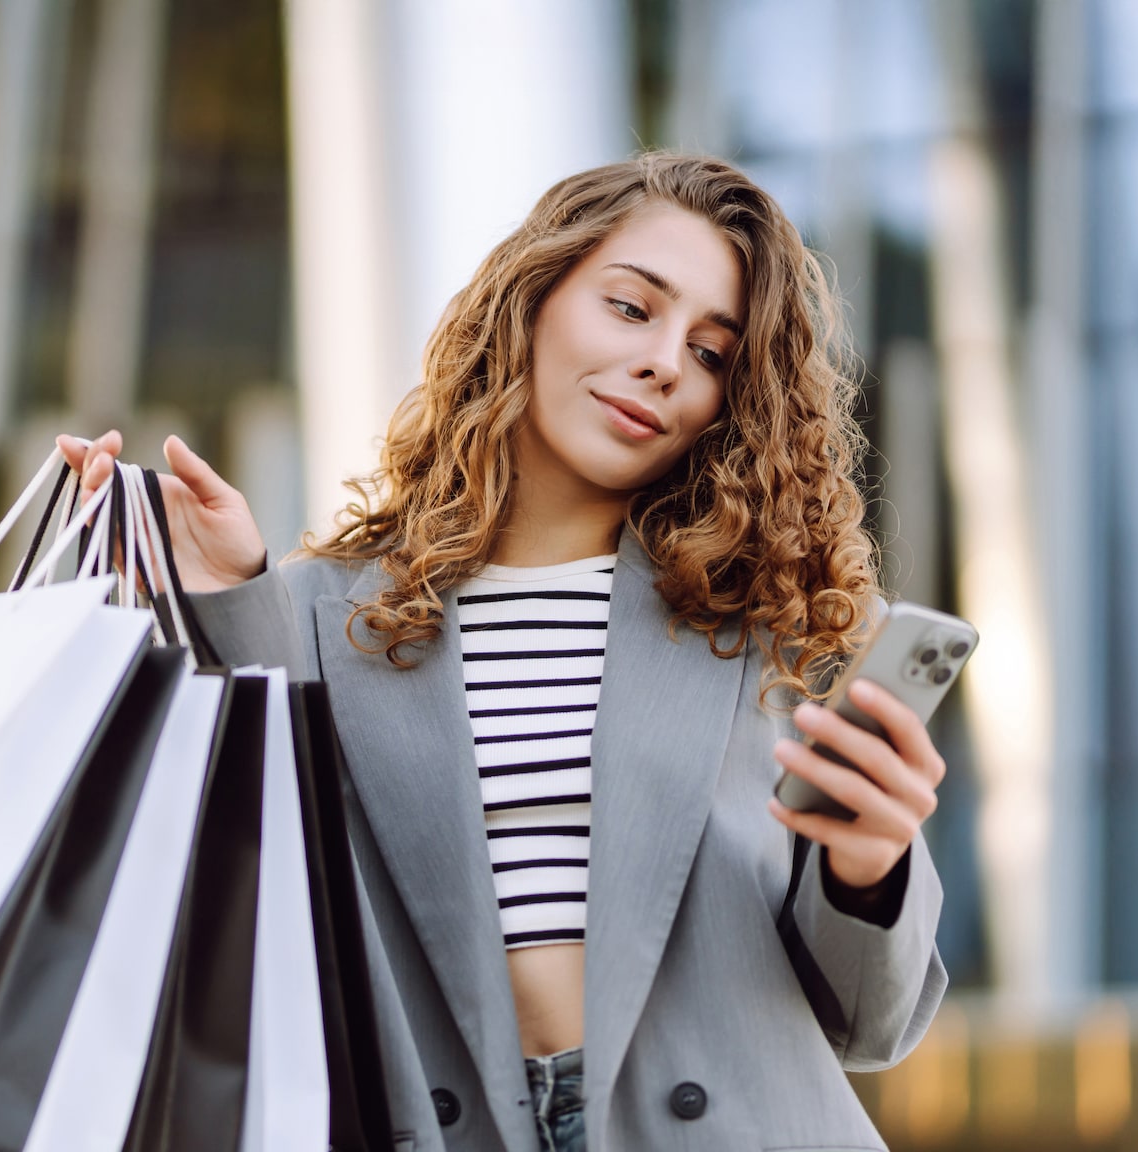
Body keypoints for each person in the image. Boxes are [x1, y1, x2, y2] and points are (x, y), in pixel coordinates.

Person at [60, 152, 946, 1152]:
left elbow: (868, 1023)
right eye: (629, 308)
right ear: (531, 298)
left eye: (709, 352)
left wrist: (868, 868)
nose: (664, 361)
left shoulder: (755, 624)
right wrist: (230, 602)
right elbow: (264, 902)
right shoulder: (316, 610)